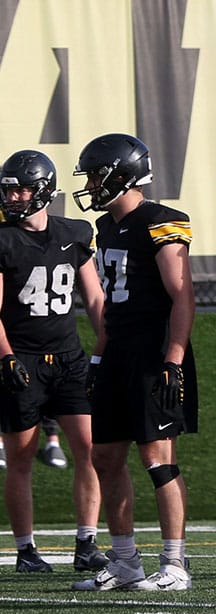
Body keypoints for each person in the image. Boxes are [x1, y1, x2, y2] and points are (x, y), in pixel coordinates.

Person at [70, 133, 198, 592]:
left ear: (121, 175)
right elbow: (109, 304)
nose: (90, 184)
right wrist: (99, 357)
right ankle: (125, 562)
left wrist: (174, 358)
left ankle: (175, 563)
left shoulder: (162, 220)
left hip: (153, 351)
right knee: (103, 455)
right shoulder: (105, 228)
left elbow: (183, 295)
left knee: (157, 457)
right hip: (119, 349)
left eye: (95, 175)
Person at [0, 149, 108, 573]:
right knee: (22, 458)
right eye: (8, 189)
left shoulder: (75, 233)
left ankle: (87, 542)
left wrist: (105, 344)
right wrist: (6, 357)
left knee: (90, 448)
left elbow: (94, 296)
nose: (12, 197)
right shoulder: (4, 240)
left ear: (43, 189)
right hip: (21, 358)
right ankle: (26, 550)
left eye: (20, 188)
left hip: (68, 358)